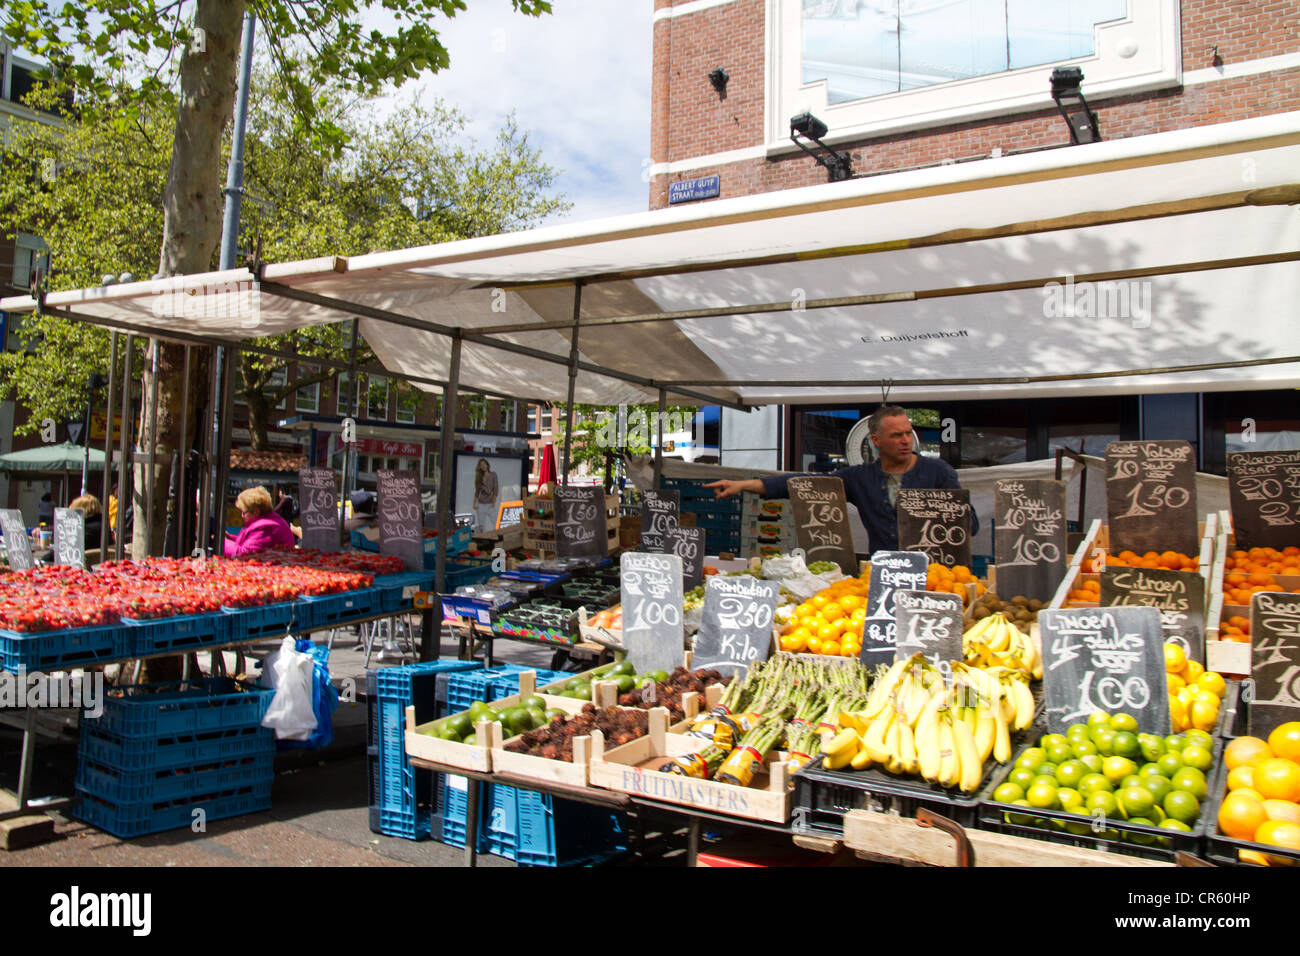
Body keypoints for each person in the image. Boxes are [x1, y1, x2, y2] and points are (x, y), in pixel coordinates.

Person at [705, 405, 977, 556]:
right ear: (876, 441)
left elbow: (970, 525)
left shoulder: (939, 471)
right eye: (896, 435)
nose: (905, 440)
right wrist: (743, 485)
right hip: (882, 575)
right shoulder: (861, 478)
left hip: (936, 576)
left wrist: (952, 514)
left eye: (908, 433)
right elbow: (803, 485)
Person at [224, 486, 296, 557]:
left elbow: (243, 553)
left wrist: (223, 542)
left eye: (244, 512)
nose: (242, 516)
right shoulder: (270, 521)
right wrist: (231, 538)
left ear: (256, 512)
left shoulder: (266, 527)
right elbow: (252, 542)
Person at [473, 458, 499, 533]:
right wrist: (474, 504)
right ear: (480, 467)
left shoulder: (493, 475)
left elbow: (495, 489)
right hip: (481, 504)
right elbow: (477, 492)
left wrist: (493, 502)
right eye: (481, 465)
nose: (483, 466)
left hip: (490, 504)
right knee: (481, 525)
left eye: (484, 464)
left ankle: (495, 535)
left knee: (495, 522)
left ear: (487, 465)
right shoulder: (479, 477)